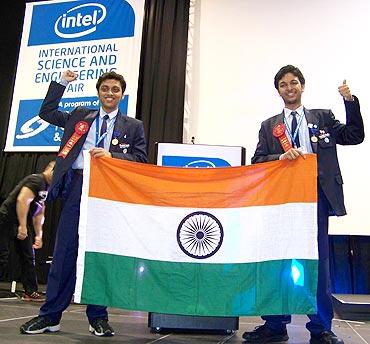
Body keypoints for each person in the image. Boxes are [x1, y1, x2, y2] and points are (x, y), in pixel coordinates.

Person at [20, 70, 148, 336]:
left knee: (100, 253)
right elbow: (47, 112)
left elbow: (141, 160)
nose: (110, 93)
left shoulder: (133, 126)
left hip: (109, 192)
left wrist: (111, 155)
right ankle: (50, 316)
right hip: (78, 187)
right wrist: (63, 82)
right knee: (65, 252)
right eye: (105, 89)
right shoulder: (80, 116)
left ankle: (98, 317)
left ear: (122, 95)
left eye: (115, 89)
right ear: (98, 92)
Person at [243, 65, 364, 344]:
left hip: (316, 198)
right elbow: (258, 161)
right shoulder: (269, 125)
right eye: (283, 84)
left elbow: (354, 136)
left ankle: (321, 328)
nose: (289, 87)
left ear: (302, 86)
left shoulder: (323, 117)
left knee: (319, 263)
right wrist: (279, 159)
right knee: (278, 261)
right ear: (278, 91)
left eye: (294, 82)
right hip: (281, 202)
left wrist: (349, 101)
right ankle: (274, 325)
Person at [0, 160, 55, 301]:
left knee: (28, 257)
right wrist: (23, 226)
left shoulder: (47, 188)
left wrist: (39, 235)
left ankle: (30, 291)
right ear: (51, 169)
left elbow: (39, 211)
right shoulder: (37, 180)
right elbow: (22, 200)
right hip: (7, 218)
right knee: (2, 255)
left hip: (21, 221)